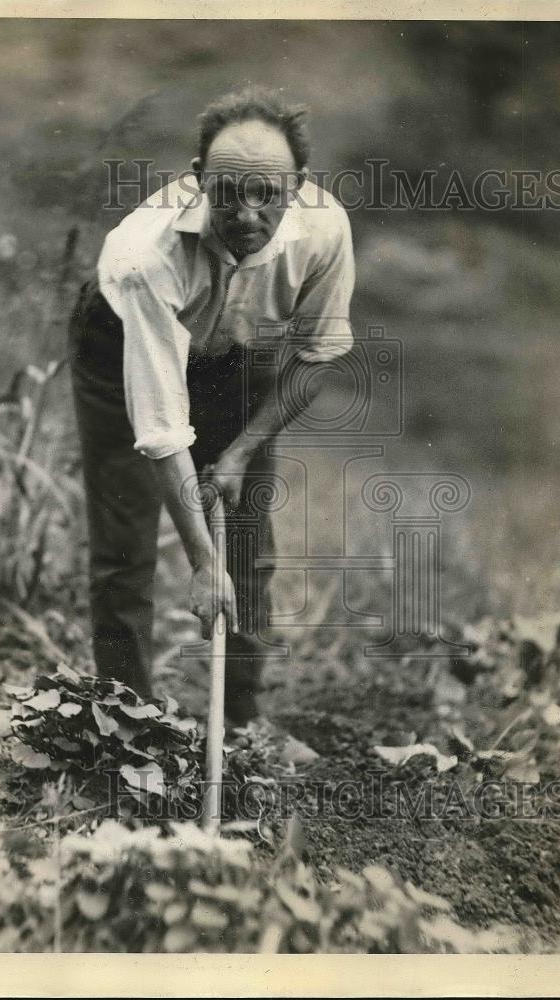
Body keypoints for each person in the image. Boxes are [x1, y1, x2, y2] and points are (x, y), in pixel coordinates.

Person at [68, 86, 355, 724]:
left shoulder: (325, 229)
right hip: (119, 344)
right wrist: (200, 560)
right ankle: (127, 727)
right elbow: (161, 429)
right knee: (125, 545)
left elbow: (318, 354)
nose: (248, 214)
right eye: (228, 192)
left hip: (236, 354)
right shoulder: (147, 257)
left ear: (298, 186)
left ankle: (239, 727)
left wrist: (240, 453)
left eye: (268, 195)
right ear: (199, 180)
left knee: (248, 543)